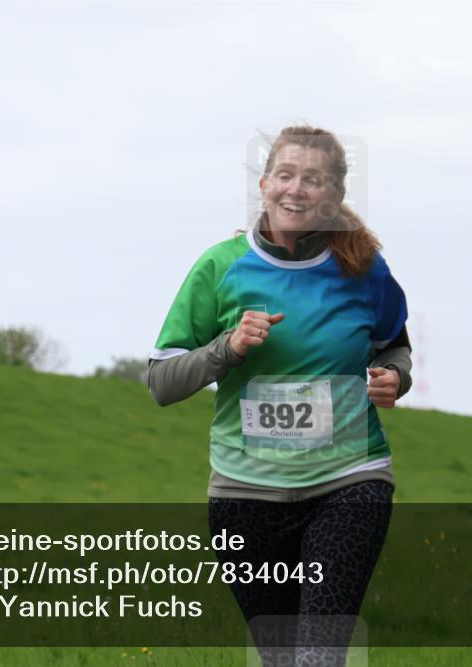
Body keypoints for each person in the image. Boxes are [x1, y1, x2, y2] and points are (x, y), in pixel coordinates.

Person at [148, 126, 411, 665]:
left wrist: (394, 376)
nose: (296, 189)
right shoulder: (220, 266)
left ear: (334, 197)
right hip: (244, 494)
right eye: (286, 175)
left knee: (318, 654)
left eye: (313, 180)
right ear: (264, 184)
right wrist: (227, 347)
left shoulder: (364, 268)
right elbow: (161, 383)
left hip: (348, 481)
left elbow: (394, 346)